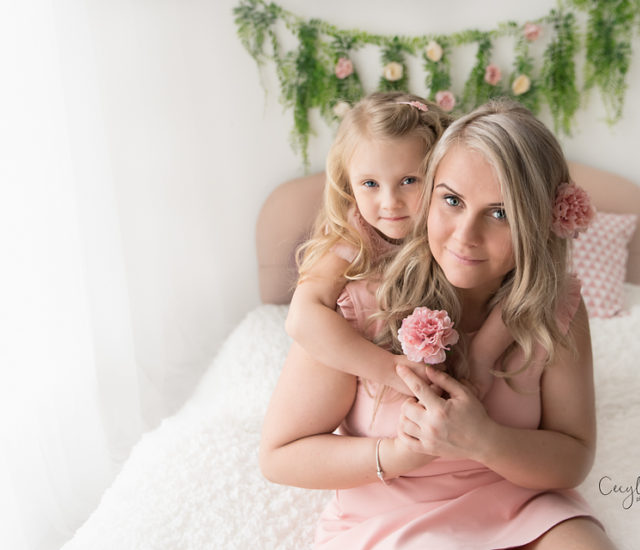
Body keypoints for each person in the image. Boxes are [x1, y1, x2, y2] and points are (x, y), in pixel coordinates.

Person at [260, 99, 613, 549]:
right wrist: (397, 454)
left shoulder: (555, 306)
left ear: (540, 222)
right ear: (429, 195)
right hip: (392, 517)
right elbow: (280, 457)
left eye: (500, 212)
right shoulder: (352, 302)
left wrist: (484, 440)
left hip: (526, 507)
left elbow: (573, 458)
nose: (465, 235)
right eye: (452, 200)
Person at [284, 91, 509, 395]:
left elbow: (515, 293)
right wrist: (391, 371)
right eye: (370, 184)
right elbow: (301, 318)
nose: (390, 203)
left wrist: (480, 361)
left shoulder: (456, 231)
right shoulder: (356, 235)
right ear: (348, 183)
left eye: (408, 181)